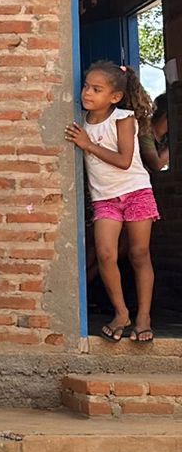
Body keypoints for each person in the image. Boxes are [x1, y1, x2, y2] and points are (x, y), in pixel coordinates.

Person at [67, 61, 159, 344]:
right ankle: (121, 313)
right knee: (106, 254)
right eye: (86, 86)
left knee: (138, 254)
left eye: (96, 89)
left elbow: (123, 160)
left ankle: (143, 316)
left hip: (135, 192)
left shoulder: (124, 118)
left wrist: (88, 145)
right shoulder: (80, 120)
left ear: (114, 97)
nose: (87, 93)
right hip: (105, 198)